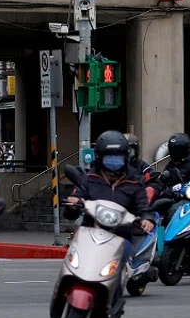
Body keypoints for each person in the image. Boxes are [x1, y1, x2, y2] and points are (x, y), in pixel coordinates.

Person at [64, 131, 155, 308]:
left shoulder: (135, 181)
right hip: (89, 232)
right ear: (99, 157)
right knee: (72, 260)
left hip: (121, 237)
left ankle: (113, 301)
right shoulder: (89, 178)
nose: (114, 161)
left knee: (118, 264)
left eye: (118, 157)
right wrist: (73, 204)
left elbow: (143, 206)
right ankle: (63, 289)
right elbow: (74, 202)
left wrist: (146, 218)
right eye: (109, 157)